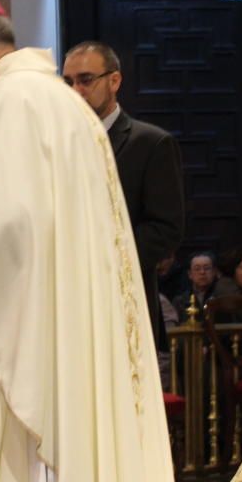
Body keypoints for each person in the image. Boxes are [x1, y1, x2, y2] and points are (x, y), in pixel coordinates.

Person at [0, 0, 176, 482]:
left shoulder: (13, 101)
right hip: (73, 326)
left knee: (35, 481)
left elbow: (11, 229)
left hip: (43, 340)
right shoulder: (57, 101)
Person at [63, 41, 184, 352]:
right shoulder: (57, 145)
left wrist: (99, 255)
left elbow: (165, 230)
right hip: (68, 306)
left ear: (114, 81)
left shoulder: (151, 143)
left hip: (124, 304)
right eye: (68, 82)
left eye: (86, 80)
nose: (76, 90)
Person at [171, 251, 219, 323]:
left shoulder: (222, 296)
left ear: (214, 272)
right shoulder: (180, 301)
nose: (202, 272)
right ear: (190, 274)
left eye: (207, 268)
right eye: (197, 269)